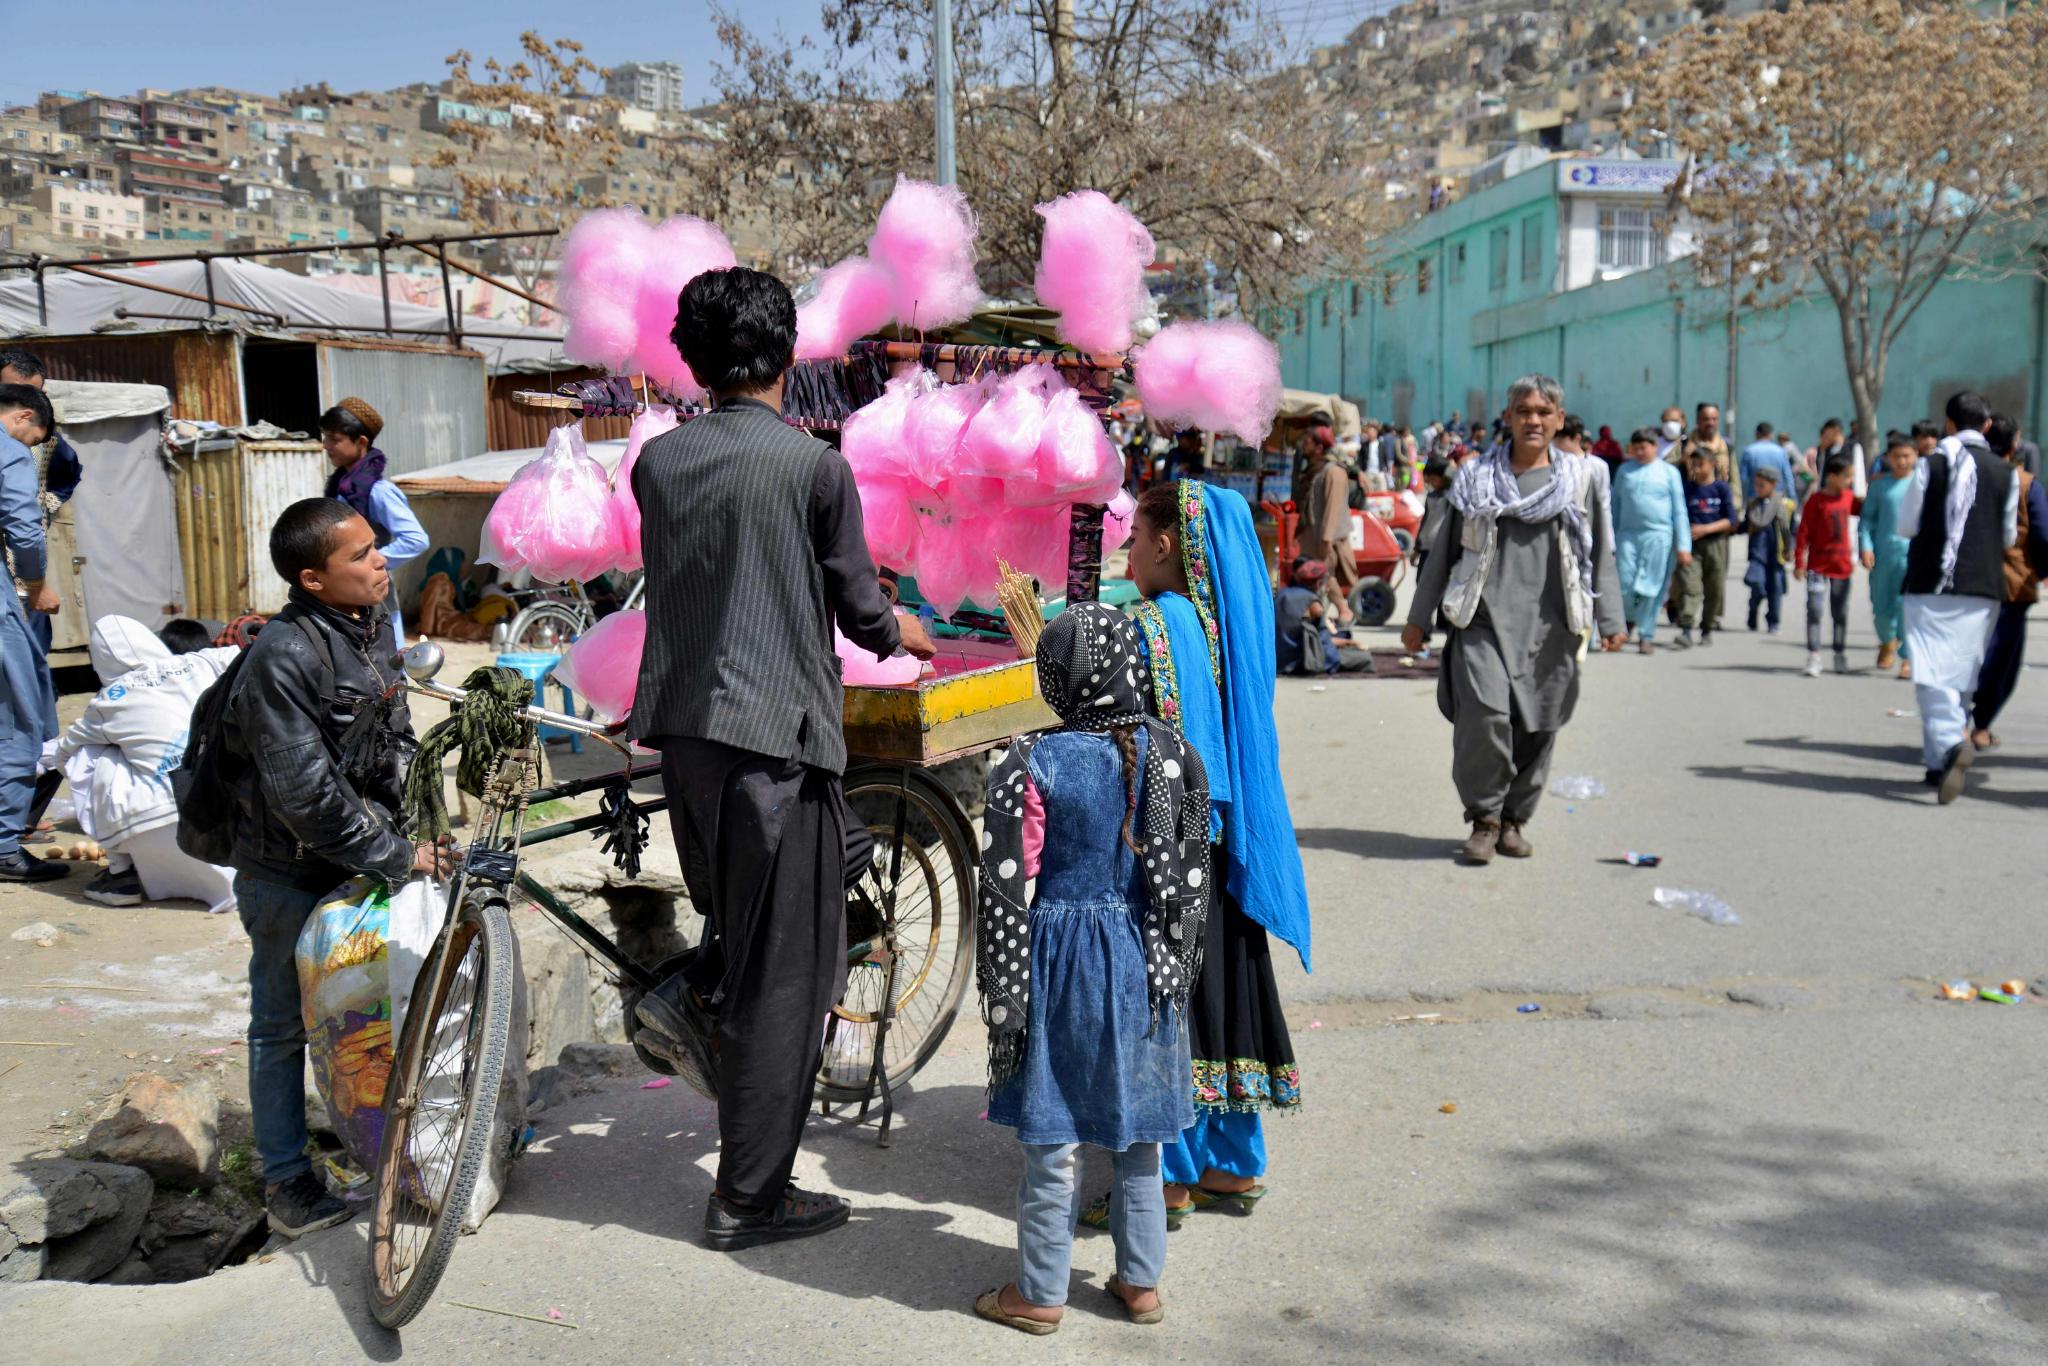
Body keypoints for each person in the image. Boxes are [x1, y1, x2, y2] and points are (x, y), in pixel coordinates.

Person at [625, 267, 937, 1251]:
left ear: (694, 357)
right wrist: (907, 634)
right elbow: (858, 609)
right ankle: (749, 1196)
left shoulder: (658, 463)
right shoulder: (814, 468)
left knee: (750, 930)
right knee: (784, 979)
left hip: (687, 747)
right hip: (776, 747)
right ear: (787, 352)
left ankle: (705, 1018)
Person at [973, 603, 1209, 1334]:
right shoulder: (1171, 753)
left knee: (1053, 1136)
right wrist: (1175, 965)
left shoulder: (1028, 762)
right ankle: (1141, 1286)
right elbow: (1194, 871)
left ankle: (1040, 1294)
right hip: (1145, 960)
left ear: (1055, 680)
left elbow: (1005, 889)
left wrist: (1004, 991)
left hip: (1058, 962)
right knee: (1141, 1137)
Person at [219, 497, 449, 1238]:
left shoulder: (373, 626)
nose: (381, 560)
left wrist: (421, 824)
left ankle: (389, 1147)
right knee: (282, 1025)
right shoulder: (280, 658)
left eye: (377, 547)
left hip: (355, 857)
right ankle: (286, 1181)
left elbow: (397, 733)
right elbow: (305, 797)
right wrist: (393, 855)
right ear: (314, 579)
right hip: (285, 871)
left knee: (371, 1010)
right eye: (360, 555)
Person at [1122, 479, 1309, 1226]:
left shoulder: (1157, 624)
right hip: (1224, 859)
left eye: (1135, 537)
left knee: (1172, 1008)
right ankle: (1232, 1167)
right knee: (1226, 993)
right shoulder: (1222, 626)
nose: (1127, 550)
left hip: (1173, 857)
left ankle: (1168, 1177)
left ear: (1165, 547)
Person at [1402, 375, 1626, 863]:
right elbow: (1443, 551)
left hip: (1553, 625)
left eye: (1545, 412)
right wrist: (1419, 617)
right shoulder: (1478, 477)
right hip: (1481, 620)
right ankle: (1484, 818)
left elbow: (1601, 550)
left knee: (1539, 724)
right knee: (1484, 717)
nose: (1534, 420)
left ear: (1559, 420)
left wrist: (1611, 618)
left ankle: (1514, 820)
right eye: (1524, 410)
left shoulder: (1581, 479)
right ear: (1509, 417)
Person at [51, 616, 239, 911]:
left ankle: (120, 873)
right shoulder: (201, 662)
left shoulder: (107, 700)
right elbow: (246, 650)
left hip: (157, 823)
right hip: (226, 811)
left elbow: (64, 754)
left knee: (87, 753)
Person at [1900, 390, 2017, 803]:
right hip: (1984, 586)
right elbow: (2007, 535)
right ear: (1986, 426)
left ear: (1947, 424)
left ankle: (1950, 744)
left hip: (1932, 582)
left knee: (1933, 674)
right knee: (1961, 677)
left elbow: (1908, 524)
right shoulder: (2006, 473)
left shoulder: (1929, 465)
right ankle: (1936, 765)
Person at [0, 384, 61, 883]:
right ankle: (3, 846)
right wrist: (36, 583)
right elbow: (23, 529)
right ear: (22, 417)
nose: (30, 447)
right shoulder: (9, 452)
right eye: (33, 437)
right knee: (19, 719)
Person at [320, 399, 427, 656]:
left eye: (334, 439)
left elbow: (416, 539)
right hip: (345, 593)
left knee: (385, 664)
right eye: (325, 438)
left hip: (372, 593)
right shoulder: (341, 488)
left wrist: (370, 562)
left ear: (361, 442)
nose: (326, 446)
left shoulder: (378, 491)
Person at [1967, 415, 2048, 749]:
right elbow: (2042, 535)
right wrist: (2041, 572)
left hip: (1966, 581)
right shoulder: (2026, 483)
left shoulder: (1967, 476)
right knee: (2002, 660)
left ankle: (1956, 720)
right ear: (2016, 445)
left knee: (1968, 653)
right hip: (2012, 585)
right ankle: (1980, 725)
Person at [1612, 427, 1692, 654]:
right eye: (1635, 448)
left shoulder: (1669, 473)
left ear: (1655, 447)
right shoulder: (1624, 471)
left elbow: (1680, 511)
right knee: (1625, 583)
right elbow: (1615, 507)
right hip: (1627, 536)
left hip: (1659, 537)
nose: (1639, 452)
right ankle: (1627, 622)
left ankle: (1647, 635)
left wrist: (1684, 546)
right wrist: (1611, 541)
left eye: (1643, 447)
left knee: (1651, 588)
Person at [1794, 453, 1861, 676]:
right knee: (1814, 609)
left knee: (1839, 612)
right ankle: (1814, 655)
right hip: (1817, 567)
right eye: (1846, 476)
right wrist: (1799, 561)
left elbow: (1868, 514)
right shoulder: (1815, 501)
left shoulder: (1850, 498)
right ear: (1832, 477)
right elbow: (1803, 532)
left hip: (1842, 567)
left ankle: (1839, 653)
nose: (1850, 480)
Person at [1860, 435, 1919, 676]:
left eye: (1907, 456)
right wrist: (1866, 546)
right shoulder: (1879, 486)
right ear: (1888, 458)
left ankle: (1908, 657)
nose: (1902, 461)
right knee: (1881, 605)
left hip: (1913, 555)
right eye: (1897, 456)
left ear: (1915, 457)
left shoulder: (1922, 484)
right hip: (1883, 555)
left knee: (1908, 607)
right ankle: (1887, 642)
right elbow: (1867, 521)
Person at [1295, 424, 1358, 628]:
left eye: (1308, 441)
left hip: (1326, 538)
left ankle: (1344, 612)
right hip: (1313, 536)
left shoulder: (1334, 472)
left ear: (1320, 447)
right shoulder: (1315, 470)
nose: (1303, 445)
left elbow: (1333, 509)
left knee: (1325, 575)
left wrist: (1326, 538)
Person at [1674, 447, 1737, 648]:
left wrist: (1706, 529)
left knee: (1714, 588)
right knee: (1690, 587)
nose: (1697, 468)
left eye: (1701, 464)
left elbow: (1731, 520)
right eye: (1694, 464)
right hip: (1691, 545)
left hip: (1716, 544)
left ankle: (1707, 628)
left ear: (1712, 464)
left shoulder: (1721, 488)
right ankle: (1686, 628)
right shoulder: (1687, 489)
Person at [1274, 560, 1372, 676]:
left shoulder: (1282, 594)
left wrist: (1349, 642)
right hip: (1303, 661)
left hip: (1278, 659)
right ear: (1318, 584)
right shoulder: (1314, 604)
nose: (1329, 587)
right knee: (1365, 658)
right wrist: (1350, 644)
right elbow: (1323, 642)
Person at [1744, 467, 1794, 633]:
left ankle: (1773, 621)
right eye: (1756, 485)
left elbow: (1791, 529)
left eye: (1762, 485)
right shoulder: (1752, 505)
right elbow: (1745, 525)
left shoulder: (1785, 505)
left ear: (1773, 484)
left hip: (1776, 554)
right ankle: (1753, 611)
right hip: (1758, 554)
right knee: (1757, 585)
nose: (1757, 488)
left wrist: (1791, 548)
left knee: (1776, 590)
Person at [1739, 422, 1799, 505]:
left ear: (1757, 434)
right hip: (1777, 501)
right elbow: (1788, 478)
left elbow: (1743, 479)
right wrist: (1792, 498)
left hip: (1754, 501)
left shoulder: (1748, 451)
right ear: (1771, 435)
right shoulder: (1780, 452)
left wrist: (1743, 501)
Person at [1414, 456, 1452, 574]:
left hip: (1441, 550)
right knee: (1420, 580)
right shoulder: (1431, 496)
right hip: (1426, 547)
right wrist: (1417, 547)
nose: (1430, 482)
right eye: (1428, 479)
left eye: (1433, 479)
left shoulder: (1451, 497)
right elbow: (1425, 521)